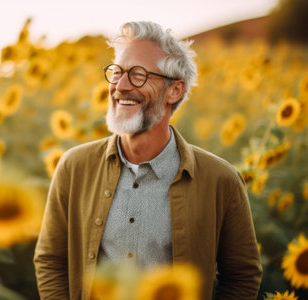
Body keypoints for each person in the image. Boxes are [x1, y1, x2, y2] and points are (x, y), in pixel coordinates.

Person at [34, 21, 262, 300]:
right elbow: (51, 260)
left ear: (174, 91)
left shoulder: (220, 180)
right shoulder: (73, 167)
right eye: (116, 72)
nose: (120, 85)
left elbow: (242, 275)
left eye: (138, 75)